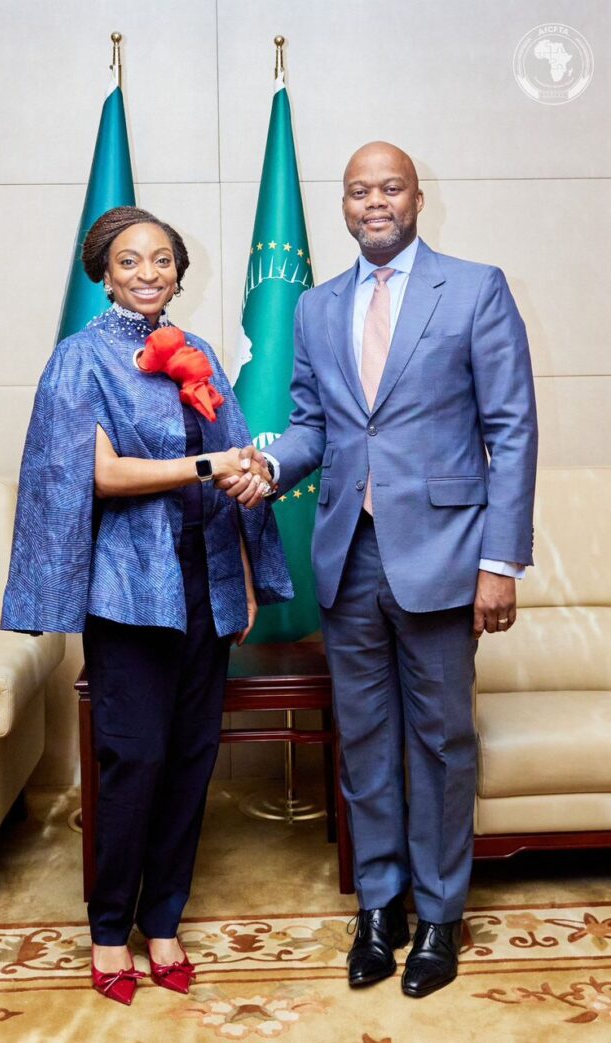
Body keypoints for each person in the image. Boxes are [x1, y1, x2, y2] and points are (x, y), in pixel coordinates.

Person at [222, 142, 537, 998]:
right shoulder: (320, 309)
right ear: (343, 205)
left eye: (389, 187)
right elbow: (311, 425)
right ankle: (380, 908)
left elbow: (511, 429)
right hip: (346, 556)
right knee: (362, 741)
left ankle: (440, 916)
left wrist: (499, 560)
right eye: (359, 191)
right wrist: (268, 465)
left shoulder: (476, 288)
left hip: (443, 556)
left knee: (441, 740)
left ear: (418, 198)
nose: (374, 203)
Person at [1, 206, 292, 1006]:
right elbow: (100, 475)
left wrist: (244, 570)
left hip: (205, 585)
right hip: (128, 594)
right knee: (136, 761)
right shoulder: (79, 359)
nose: (148, 272)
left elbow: (239, 468)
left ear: (178, 272)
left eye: (162, 259)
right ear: (104, 271)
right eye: (130, 261)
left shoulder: (197, 355)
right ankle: (106, 930)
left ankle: (163, 919)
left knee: (194, 759)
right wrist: (206, 463)